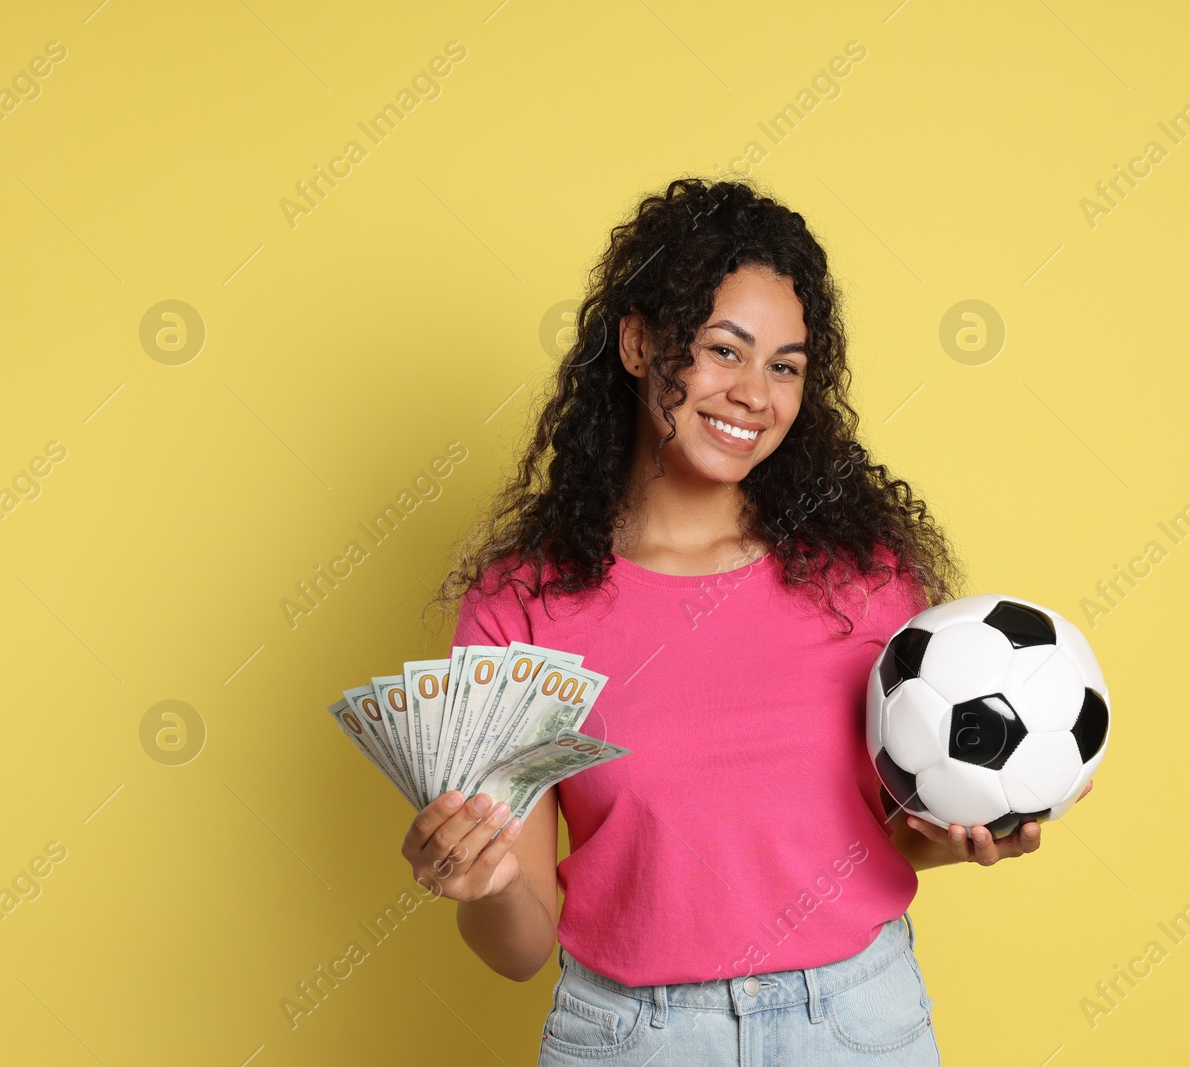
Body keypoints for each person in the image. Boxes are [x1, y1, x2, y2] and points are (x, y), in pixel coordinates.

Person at [400, 177, 1091, 1064]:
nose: (754, 394)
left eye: (786, 366)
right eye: (724, 351)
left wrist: (964, 836)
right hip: (630, 1039)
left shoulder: (864, 577)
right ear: (642, 343)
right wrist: (486, 884)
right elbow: (520, 948)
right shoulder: (521, 606)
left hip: (856, 1022)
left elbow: (863, 844)